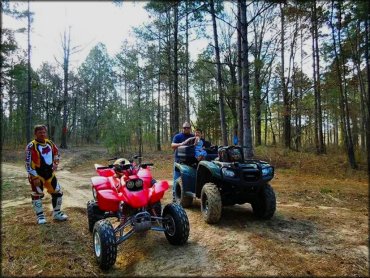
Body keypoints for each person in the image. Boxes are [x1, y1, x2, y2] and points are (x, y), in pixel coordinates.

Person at [25, 124, 68, 224]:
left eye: (44, 132)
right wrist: (34, 177)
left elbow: (56, 153)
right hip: (37, 174)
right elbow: (27, 163)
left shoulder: (50, 143)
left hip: (50, 174)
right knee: (37, 194)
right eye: (40, 132)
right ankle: (40, 217)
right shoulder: (31, 146)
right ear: (35, 134)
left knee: (57, 192)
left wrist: (56, 163)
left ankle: (57, 213)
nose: (42, 134)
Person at [171, 122, 194, 201]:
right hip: (179, 161)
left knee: (189, 178)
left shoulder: (193, 136)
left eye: (187, 128)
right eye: (184, 128)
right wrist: (182, 143)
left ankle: (188, 195)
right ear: (182, 128)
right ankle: (175, 196)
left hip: (191, 161)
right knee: (176, 178)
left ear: (190, 128)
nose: (186, 129)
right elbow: (172, 145)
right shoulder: (178, 136)